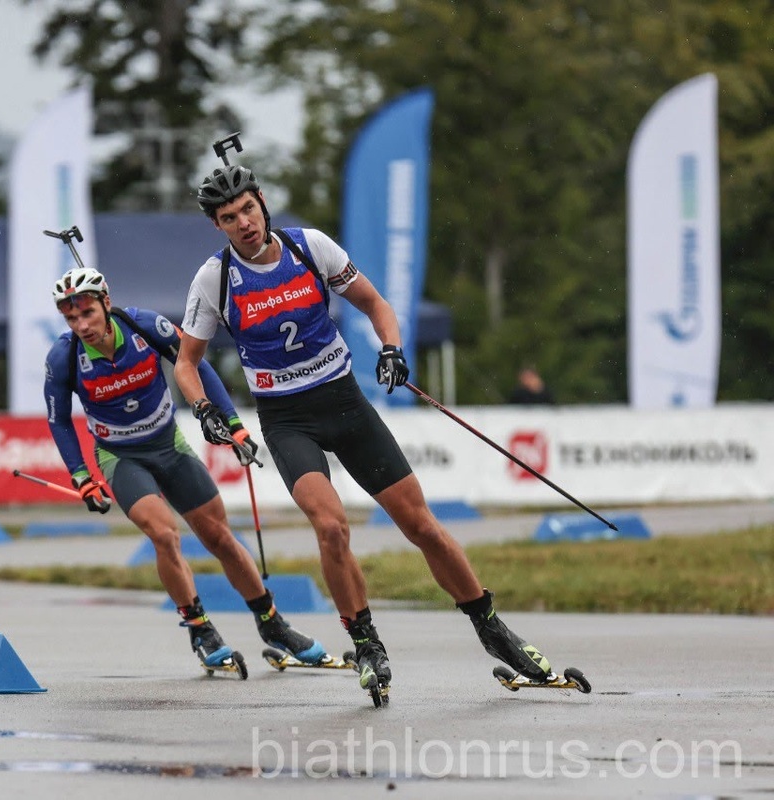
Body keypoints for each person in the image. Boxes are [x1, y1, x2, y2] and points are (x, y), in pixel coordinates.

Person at [173, 154, 557, 700]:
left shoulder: (310, 247)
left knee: (419, 524)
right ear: (218, 225)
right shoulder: (216, 278)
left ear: (262, 203)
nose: (245, 223)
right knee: (331, 528)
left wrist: (393, 348)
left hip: (345, 402)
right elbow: (187, 363)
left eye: (248, 209)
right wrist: (205, 410)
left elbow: (376, 303)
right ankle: (367, 642)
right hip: (288, 419)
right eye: (230, 217)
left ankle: (491, 627)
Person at [42, 252, 330, 673]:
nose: (82, 326)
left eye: (87, 312)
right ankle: (200, 628)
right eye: (72, 320)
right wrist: (82, 476)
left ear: (106, 301)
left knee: (220, 538)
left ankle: (273, 625)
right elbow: (59, 420)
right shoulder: (64, 357)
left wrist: (234, 425)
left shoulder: (145, 326)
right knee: (164, 534)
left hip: (168, 444)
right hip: (121, 457)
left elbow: (196, 366)